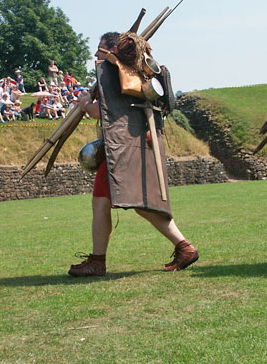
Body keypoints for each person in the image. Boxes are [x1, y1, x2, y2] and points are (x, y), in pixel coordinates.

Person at [68, 31, 198, 277]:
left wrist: (85, 104)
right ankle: (184, 247)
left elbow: (104, 113)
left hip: (122, 149)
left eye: (100, 49)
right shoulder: (132, 74)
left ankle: (98, 261)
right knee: (137, 204)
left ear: (111, 51)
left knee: (103, 203)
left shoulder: (118, 74)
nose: (96, 53)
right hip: (131, 146)